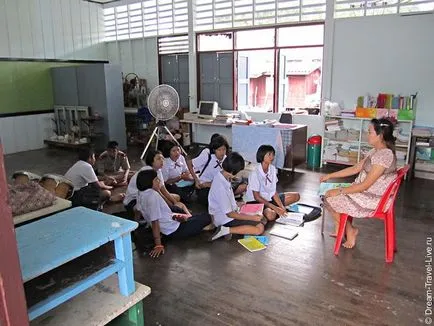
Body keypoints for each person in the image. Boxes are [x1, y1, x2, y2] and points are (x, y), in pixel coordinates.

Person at [321, 118, 397, 249]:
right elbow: (355, 168)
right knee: (327, 194)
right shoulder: (375, 151)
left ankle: (349, 230)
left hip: (374, 199)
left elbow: (365, 185)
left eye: (370, 132)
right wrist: (330, 175)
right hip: (366, 192)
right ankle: (343, 226)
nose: (367, 134)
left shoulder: (384, 156)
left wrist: (339, 191)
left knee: (328, 197)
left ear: (380, 135)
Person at [136, 169, 212, 258]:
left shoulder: (141, 193)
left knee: (183, 210)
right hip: (173, 230)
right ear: (149, 182)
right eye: (156, 179)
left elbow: (138, 210)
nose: (159, 181)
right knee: (207, 217)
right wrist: (158, 245)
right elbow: (155, 221)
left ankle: (190, 220)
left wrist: (136, 225)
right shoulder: (153, 196)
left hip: (169, 222)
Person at [208, 152, 265, 241]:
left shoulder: (223, 177)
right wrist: (252, 217)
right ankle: (225, 230)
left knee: (260, 219)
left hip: (228, 213)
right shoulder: (220, 186)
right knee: (259, 228)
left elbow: (226, 201)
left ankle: (229, 230)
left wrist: (237, 204)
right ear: (232, 171)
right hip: (225, 219)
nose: (239, 174)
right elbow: (229, 214)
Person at [123, 149, 188, 219]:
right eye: (158, 159)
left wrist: (175, 203)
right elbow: (158, 193)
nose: (162, 161)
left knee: (176, 197)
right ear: (151, 161)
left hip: (150, 196)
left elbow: (163, 189)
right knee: (161, 204)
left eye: (162, 158)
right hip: (134, 201)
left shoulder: (158, 170)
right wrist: (172, 207)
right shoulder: (147, 172)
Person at [245, 145, 300, 221]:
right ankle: (272, 211)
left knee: (296, 196)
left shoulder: (273, 169)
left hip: (270, 199)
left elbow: (274, 192)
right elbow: (257, 197)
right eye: (269, 155)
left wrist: (281, 207)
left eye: (273, 154)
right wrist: (275, 208)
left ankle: (277, 210)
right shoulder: (255, 173)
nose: (272, 157)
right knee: (271, 215)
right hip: (257, 202)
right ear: (262, 156)